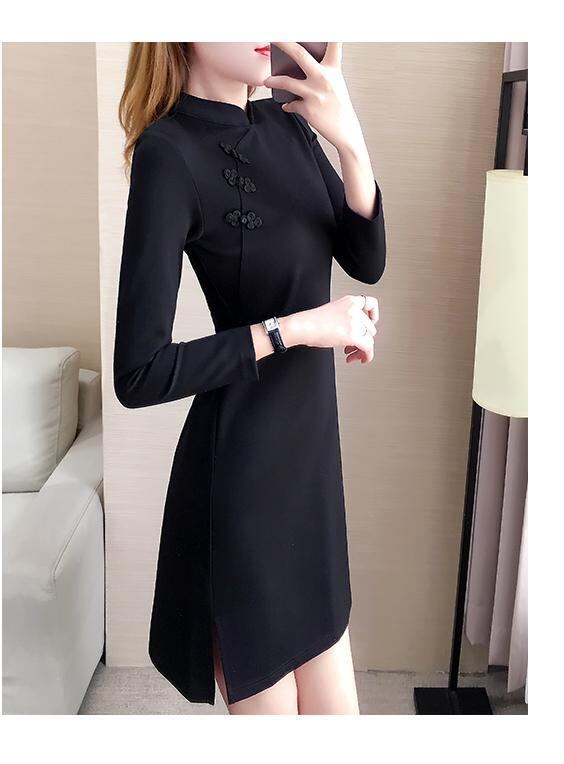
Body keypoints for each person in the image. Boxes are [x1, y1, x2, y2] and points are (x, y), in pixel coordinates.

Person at [113, 41, 386, 714]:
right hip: (241, 480)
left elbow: (366, 259)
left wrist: (350, 141)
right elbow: (139, 372)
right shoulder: (168, 152)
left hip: (310, 475)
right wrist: (297, 329)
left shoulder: (287, 124)